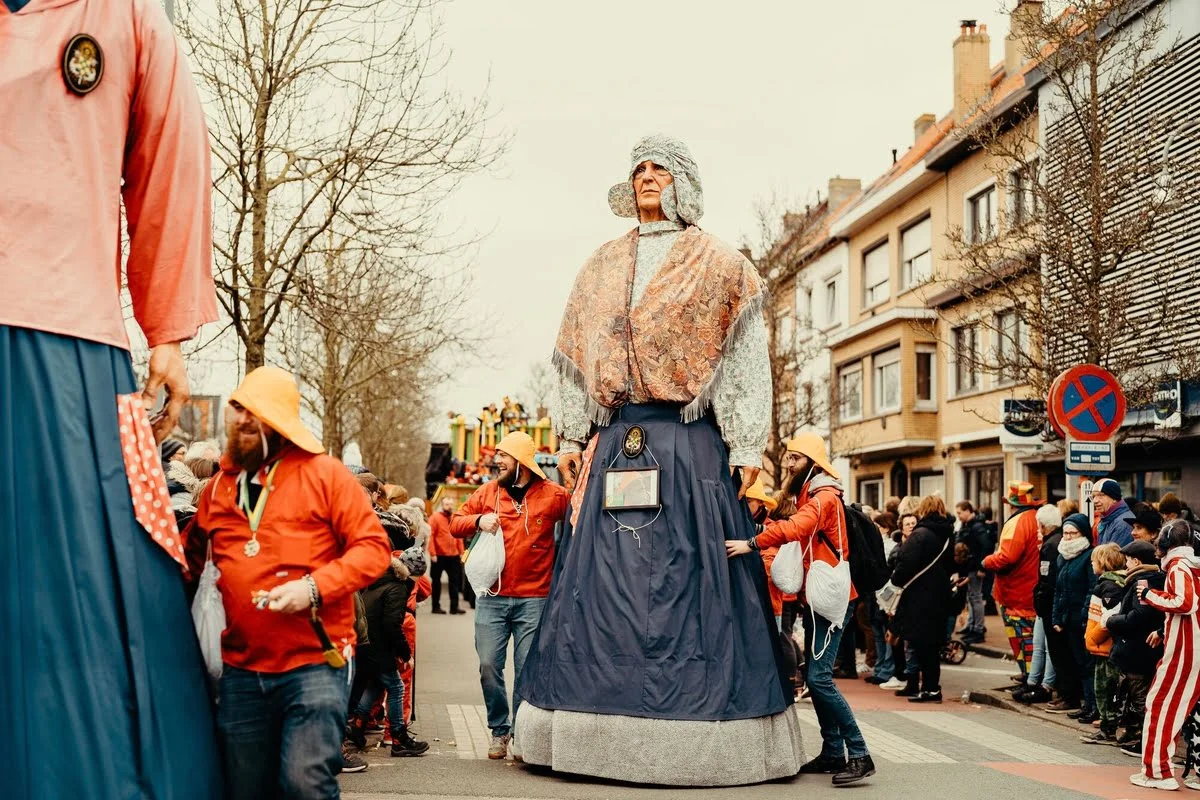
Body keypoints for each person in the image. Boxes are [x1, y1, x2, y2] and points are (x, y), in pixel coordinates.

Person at [518, 135, 802, 787]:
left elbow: (744, 359)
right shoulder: (598, 266)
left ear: (684, 183)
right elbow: (573, 358)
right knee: (601, 584)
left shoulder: (722, 263)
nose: (648, 177)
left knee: (694, 578)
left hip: (689, 440)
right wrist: (568, 437)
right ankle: (589, 725)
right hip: (616, 439)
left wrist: (750, 443)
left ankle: (705, 737)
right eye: (639, 169)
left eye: (661, 168)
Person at [0, 2, 226, 797]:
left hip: (71, 343)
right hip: (68, 336)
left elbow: (171, 153)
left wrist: (166, 330)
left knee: (84, 581)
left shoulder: (126, 14)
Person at [186, 367, 392, 799]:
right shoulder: (219, 488)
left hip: (314, 663)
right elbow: (189, 561)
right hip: (241, 668)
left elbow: (373, 550)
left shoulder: (327, 476)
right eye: (234, 416)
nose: (238, 427)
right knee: (245, 788)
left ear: (277, 424)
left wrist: (314, 588)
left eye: (250, 419)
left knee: (304, 782)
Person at [728, 433, 875, 787]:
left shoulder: (823, 498)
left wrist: (752, 541)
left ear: (811, 462)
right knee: (815, 677)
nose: (788, 464)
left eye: (794, 458)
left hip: (829, 601)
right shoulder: (813, 494)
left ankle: (859, 754)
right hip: (819, 599)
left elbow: (797, 528)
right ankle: (831, 751)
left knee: (820, 679)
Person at [451, 432, 570, 760]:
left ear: (522, 462)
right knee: (489, 664)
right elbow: (454, 524)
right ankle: (498, 729)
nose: (497, 461)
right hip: (492, 596)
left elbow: (582, 511)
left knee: (526, 669)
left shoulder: (553, 495)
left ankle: (519, 732)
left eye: (504, 455)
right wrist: (477, 520)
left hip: (535, 598)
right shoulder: (487, 492)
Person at [1131, 520, 1200, 791]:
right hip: (1192, 647)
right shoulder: (1192, 566)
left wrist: (1150, 594)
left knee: (1160, 708)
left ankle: (1157, 772)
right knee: (1179, 710)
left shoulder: (1178, 566)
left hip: (1183, 649)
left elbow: (1184, 603)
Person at [346, 546, 429, 757]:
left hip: (367, 644)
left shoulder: (380, 580)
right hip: (380, 647)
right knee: (397, 687)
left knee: (375, 685)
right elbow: (393, 625)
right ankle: (399, 738)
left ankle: (356, 726)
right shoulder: (398, 587)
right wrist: (405, 654)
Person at [888, 495, 955, 703]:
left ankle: (928, 688)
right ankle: (931, 687)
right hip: (940, 596)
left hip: (918, 597)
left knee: (919, 643)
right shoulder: (947, 535)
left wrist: (896, 580)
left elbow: (905, 564)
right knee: (932, 646)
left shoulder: (920, 535)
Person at [1106, 539, 1165, 758]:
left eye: (1128, 561)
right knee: (1137, 696)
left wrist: (1113, 620)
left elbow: (1138, 617)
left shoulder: (1143, 582)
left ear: (1137, 560)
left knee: (1141, 698)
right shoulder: (1149, 579)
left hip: (1138, 651)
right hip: (1141, 650)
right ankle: (1138, 736)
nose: (1126, 565)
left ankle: (1146, 743)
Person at [983, 482, 1043, 687]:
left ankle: (1029, 676)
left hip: (1016, 593)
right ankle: (1031, 674)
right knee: (1031, 638)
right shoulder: (1036, 519)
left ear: (1011, 504)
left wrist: (987, 561)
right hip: (1030, 589)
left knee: (1021, 638)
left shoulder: (1017, 522)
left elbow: (1006, 557)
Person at [1051, 513, 1097, 724]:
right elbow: (1058, 591)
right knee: (1078, 663)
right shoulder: (1062, 556)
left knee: (1088, 665)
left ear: (1083, 533)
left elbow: (1092, 589)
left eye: (1073, 533)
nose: (1068, 537)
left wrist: (1085, 617)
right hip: (1067, 620)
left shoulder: (1088, 556)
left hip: (1083, 619)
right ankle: (1086, 705)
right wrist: (1057, 618)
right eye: (1066, 533)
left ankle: (1093, 706)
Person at [1082, 543, 1128, 745]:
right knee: (1108, 687)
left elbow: (1109, 618)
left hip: (1104, 646)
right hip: (1105, 646)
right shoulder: (1112, 583)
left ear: (1103, 562)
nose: (1092, 564)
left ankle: (1107, 726)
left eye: (1093, 560)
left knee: (1104, 688)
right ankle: (1108, 724)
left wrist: (1093, 637)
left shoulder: (1108, 586)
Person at [1020, 505, 1063, 706]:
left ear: (1043, 525)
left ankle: (1042, 684)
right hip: (1046, 603)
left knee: (1045, 646)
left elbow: (1047, 579)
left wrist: (1040, 600)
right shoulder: (1053, 543)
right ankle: (1034, 681)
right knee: (1041, 645)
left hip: (1047, 604)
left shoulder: (1049, 546)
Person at [955, 500, 990, 644]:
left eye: (960, 513)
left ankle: (977, 629)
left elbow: (985, 546)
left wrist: (982, 567)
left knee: (975, 597)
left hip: (975, 567)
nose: (958, 516)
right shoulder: (969, 525)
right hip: (971, 566)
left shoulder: (976, 526)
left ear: (968, 511)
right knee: (972, 597)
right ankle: (972, 626)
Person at [429, 496, 466, 614]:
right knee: (436, 582)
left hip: (453, 556)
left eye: (451, 504)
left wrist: (461, 553)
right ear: (442, 505)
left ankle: (454, 607)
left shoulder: (455, 517)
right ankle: (435, 606)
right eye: (446, 504)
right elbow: (431, 536)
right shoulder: (435, 518)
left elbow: (458, 536)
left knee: (454, 582)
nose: (449, 506)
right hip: (439, 556)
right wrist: (432, 553)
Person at [1093, 478, 1135, 548]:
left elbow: (1114, 557)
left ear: (1114, 498)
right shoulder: (1108, 518)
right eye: (1094, 496)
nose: (1095, 500)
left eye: (1101, 495)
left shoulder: (1123, 523)